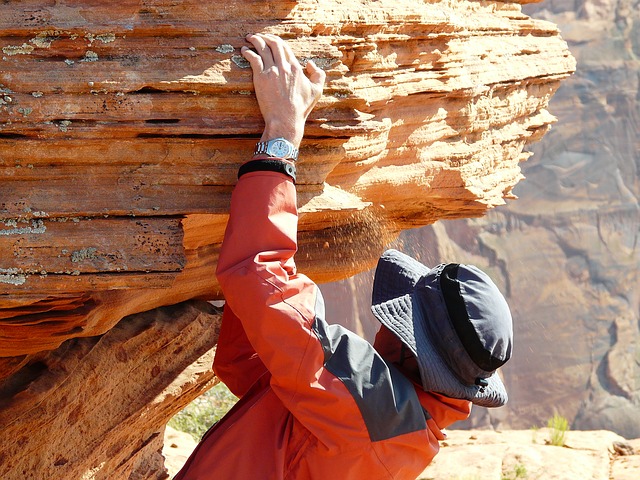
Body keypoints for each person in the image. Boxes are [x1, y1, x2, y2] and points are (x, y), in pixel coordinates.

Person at [174, 33, 513, 480]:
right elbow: (253, 370)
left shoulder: (375, 404)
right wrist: (279, 324)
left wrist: (281, 135)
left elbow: (258, 274)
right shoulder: (411, 432)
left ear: (413, 353)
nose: (383, 327)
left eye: (399, 320)